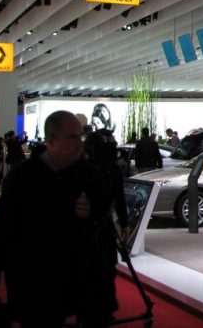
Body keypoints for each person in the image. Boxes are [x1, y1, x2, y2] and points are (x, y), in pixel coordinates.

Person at [0, 110, 113, 328]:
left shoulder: (88, 174)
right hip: (34, 276)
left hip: (79, 271)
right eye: (73, 137)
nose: (80, 143)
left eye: (81, 137)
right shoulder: (24, 177)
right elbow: (1, 228)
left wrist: (92, 211)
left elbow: (103, 208)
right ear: (51, 141)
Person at [84, 129, 130, 320]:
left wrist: (124, 222)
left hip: (105, 226)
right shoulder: (83, 169)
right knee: (87, 271)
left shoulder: (112, 170)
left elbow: (119, 196)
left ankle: (106, 308)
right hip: (84, 229)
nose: (111, 149)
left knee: (109, 266)